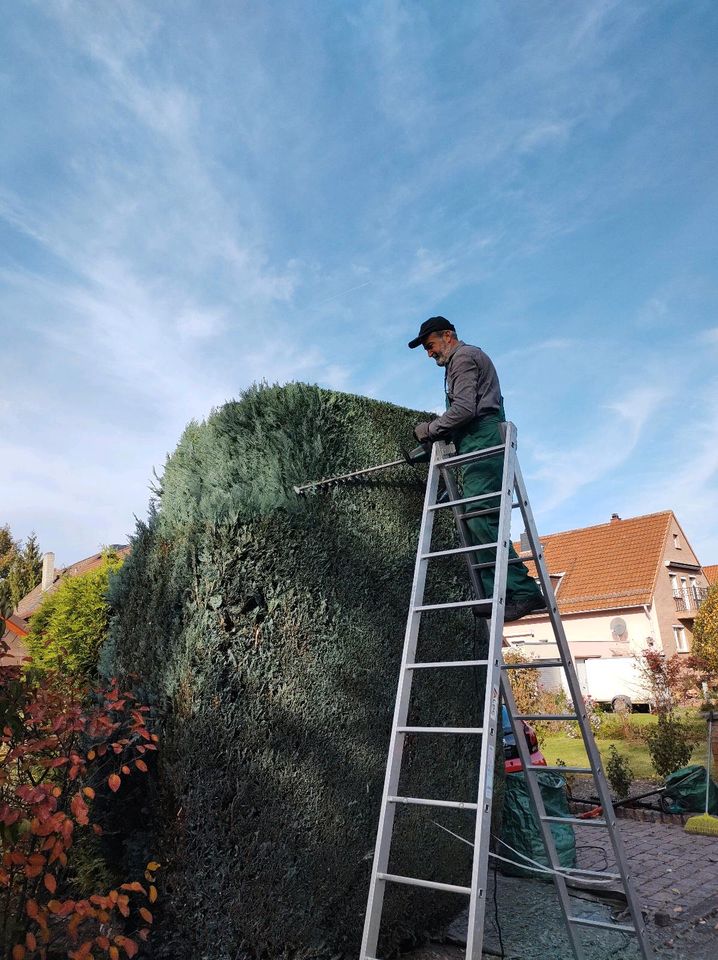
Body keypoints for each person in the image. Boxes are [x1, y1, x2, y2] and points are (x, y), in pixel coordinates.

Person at [408, 316, 546, 622]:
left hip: (484, 442)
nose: (429, 354)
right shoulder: (459, 363)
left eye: (430, 346)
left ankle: (522, 591)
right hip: (474, 442)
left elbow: (464, 410)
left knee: (481, 516)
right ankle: (496, 593)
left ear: (448, 335)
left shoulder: (465, 358)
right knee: (473, 519)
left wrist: (429, 429)